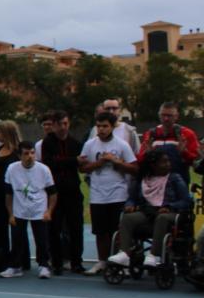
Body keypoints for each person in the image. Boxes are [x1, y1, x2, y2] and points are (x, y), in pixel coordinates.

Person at [107, 150, 191, 269]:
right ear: (153, 165)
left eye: (168, 161)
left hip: (169, 213)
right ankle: (124, 253)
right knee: (127, 217)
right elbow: (132, 198)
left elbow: (185, 200)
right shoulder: (142, 179)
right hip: (148, 212)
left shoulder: (175, 178)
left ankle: (154, 255)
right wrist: (129, 205)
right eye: (164, 162)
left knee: (162, 218)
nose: (168, 164)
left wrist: (169, 206)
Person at [79, 111, 138, 274]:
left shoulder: (122, 145)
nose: (101, 129)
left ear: (112, 127)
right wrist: (100, 162)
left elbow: (134, 168)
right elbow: (82, 167)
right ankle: (102, 261)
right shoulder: (90, 144)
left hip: (118, 193)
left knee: (117, 230)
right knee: (100, 231)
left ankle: (120, 262)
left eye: (105, 126)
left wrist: (116, 161)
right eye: (98, 126)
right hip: (98, 194)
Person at [2, 141, 57, 279]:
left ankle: (44, 265)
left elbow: (52, 193)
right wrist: (11, 214)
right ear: (19, 155)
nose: (30, 156)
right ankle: (15, 266)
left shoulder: (44, 169)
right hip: (19, 210)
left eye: (32, 153)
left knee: (42, 240)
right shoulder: (12, 169)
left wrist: (49, 211)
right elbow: (8, 194)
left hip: (39, 210)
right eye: (26, 153)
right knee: (16, 238)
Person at [40, 110, 85, 273]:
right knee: (54, 228)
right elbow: (49, 163)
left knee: (76, 228)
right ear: (54, 125)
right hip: (55, 192)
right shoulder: (48, 143)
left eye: (65, 124)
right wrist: (73, 161)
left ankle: (76, 261)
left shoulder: (75, 143)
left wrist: (72, 162)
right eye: (59, 124)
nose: (63, 127)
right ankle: (57, 261)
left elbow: (82, 163)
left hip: (73, 190)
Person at [138, 101, 200, 186]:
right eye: (163, 115)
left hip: (179, 184)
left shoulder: (187, 134)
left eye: (169, 116)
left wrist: (184, 152)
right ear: (159, 115)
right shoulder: (151, 134)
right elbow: (140, 161)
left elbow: (197, 162)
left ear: (176, 116)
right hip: (155, 184)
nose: (166, 119)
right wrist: (147, 153)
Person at [0, 120, 22, 260]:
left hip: (14, 193)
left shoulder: (18, 152)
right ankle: (3, 256)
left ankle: (19, 257)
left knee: (16, 226)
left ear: (7, 134)